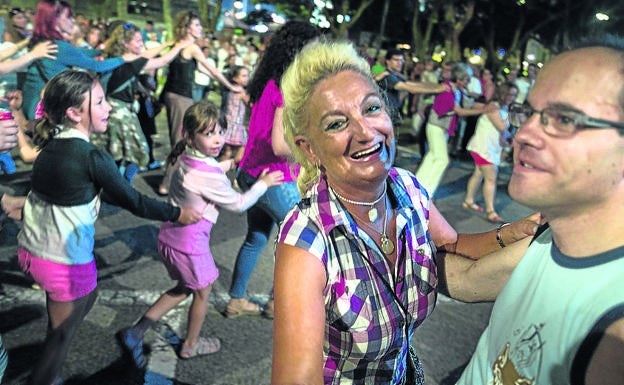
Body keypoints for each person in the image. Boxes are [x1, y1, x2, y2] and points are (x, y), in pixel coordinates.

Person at [272, 39, 540, 384]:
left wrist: (509, 233)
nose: (365, 132)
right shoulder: (306, 240)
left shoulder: (406, 187)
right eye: (337, 124)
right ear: (310, 150)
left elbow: (453, 245)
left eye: (371, 109)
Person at [16, 70, 201, 385]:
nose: (109, 108)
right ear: (75, 113)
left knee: (83, 302)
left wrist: (117, 181)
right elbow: (135, 202)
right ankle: (46, 377)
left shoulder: (50, 145)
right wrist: (177, 213)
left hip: (32, 253)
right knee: (60, 339)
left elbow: (81, 195)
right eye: (99, 102)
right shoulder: (91, 155)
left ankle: (51, 370)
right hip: (62, 261)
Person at [456, 38, 624, 385]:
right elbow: (465, 280)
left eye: (564, 118)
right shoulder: (550, 238)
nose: (524, 134)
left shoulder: (614, 328)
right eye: (529, 113)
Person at [117, 100, 283, 368]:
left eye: (219, 131)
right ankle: (191, 346)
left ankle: (136, 332)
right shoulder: (207, 175)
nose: (217, 140)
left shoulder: (186, 157)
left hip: (171, 239)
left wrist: (226, 164)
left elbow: (206, 169)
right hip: (190, 246)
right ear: (190, 135)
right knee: (201, 294)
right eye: (208, 134)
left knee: (184, 288)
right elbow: (239, 204)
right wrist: (263, 184)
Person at [224, 20, 321, 318]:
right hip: (273, 177)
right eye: (314, 48)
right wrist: (312, 150)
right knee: (306, 240)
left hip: (253, 171)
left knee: (256, 237)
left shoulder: (270, 80)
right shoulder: (286, 86)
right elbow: (280, 146)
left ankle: (236, 299)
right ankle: (276, 302)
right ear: (299, 49)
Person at [157, 11, 242, 195]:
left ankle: (174, 180)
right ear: (187, 27)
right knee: (180, 142)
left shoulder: (177, 44)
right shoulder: (191, 47)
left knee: (180, 139)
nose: (200, 29)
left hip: (174, 94)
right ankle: (166, 183)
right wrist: (230, 86)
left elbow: (202, 70)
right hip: (181, 96)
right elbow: (212, 70)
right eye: (197, 25)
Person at [95, 22, 190, 183]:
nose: (142, 44)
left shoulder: (118, 58)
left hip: (112, 110)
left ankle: (116, 186)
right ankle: (122, 185)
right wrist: (180, 46)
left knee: (116, 153)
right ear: (126, 44)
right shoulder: (130, 60)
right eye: (138, 41)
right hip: (120, 113)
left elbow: (146, 53)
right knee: (139, 152)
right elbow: (162, 61)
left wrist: (167, 43)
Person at [21, 0, 136, 120]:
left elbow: (79, 54)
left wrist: (102, 51)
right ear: (55, 18)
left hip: (32, 103)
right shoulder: (58, 47)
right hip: (40, 108)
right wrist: (123, 58)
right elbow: (96, 66)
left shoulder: (45, 42)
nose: (73, 21)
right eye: (69, 17)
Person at [415, 62, 493, 198]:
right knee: (442, 159)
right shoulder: (447, 90)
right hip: (436, 126)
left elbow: (469, 103)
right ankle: (427, 191)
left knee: (432, 156)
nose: (468, 82)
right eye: (466, 80)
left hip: (441, 128)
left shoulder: (457, 91)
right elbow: (460, 111)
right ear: (458, 79)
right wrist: (483, 110)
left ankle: (417, 186)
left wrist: (488, 106)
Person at [462, 82, 518, 223]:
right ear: (503, 93)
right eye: (510, 94)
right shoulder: (494, 107)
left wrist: (508, 141)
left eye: (514, 95)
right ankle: (490, 212)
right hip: (484, 149)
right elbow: (501, 126)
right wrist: (512, 115)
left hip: (488, 148)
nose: (512, 97)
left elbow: (502, 132)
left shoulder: (502, 108)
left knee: (478, 174)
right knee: (491, 178)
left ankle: (468, 201)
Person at [374, 48, 445, 122]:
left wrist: (437, 86)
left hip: (388, 115)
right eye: (396, 60)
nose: (400, 63)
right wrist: (437, 90)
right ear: (388, 61)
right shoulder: (387, 76)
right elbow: (411, 88)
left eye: (401, 60)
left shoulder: (395, 75)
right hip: (382, 116)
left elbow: (414, 84)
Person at [220, 65, 250, 162]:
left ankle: (219, 170)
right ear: (235, 79)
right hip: (235, 126)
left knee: (227, 152)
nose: (247, 78)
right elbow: (251, 104)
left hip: (228, 124)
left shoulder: (230, 90)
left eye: (247, 76)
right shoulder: (240, 90)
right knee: (243, 147)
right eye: (244, 76)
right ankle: (234, 166)